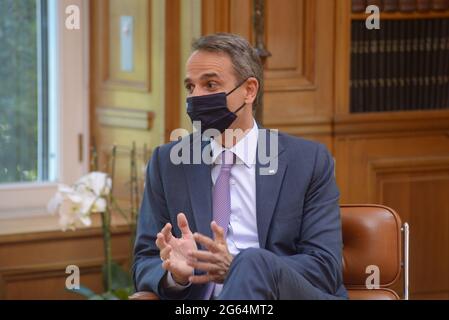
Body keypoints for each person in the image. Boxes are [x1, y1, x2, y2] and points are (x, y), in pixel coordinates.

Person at [132, 33, 347, 300]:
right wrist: (176, 274)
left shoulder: (308, 161)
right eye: (190, 87)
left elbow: (325, 267)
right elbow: (145, 261)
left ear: (249, 90)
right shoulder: (168, 163)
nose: (196, 97)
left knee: (252, 261)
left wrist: (238, 268)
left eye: (210, 84)